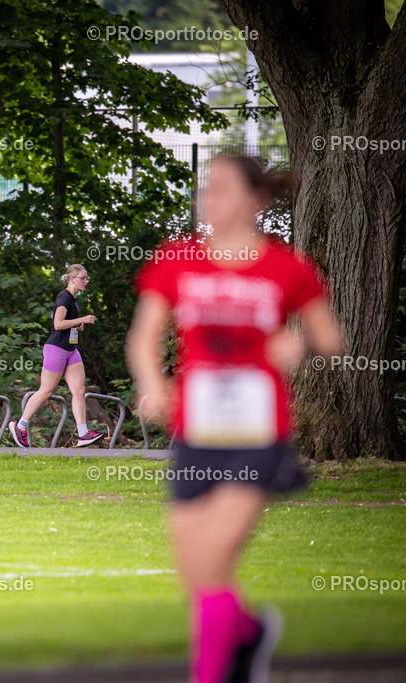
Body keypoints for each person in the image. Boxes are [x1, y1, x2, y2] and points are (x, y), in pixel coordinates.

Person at [126, 155, 342, 683]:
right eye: (206, 188)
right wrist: (155, 386)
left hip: (258, 435)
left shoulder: (286, 266)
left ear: (254, 200)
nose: (209, 198)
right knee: (198, 573)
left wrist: (296, 341)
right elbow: (144, 338)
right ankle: (250, 632)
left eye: (221, 188)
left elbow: (330, 338)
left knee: (216, 560)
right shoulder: (177, 259)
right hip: (197, 435)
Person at [8, 265, 105, 448]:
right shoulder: (64, 297)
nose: (86, 281)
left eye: (87, 278)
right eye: (83, 278)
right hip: (56, 349)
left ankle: (83, 433)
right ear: (72, 279)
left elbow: (66, 323)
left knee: (79, 390)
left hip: (71, 350)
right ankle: (19, 426)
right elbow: (58, 324)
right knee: (46, 391)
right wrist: (81, 319)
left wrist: (76, 325)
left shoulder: (73, 299)